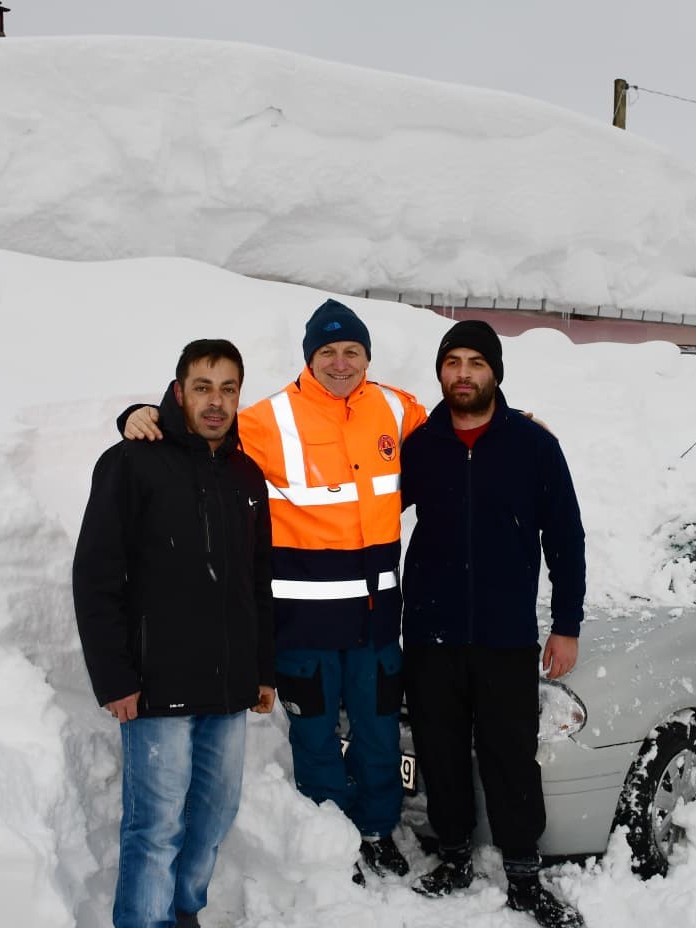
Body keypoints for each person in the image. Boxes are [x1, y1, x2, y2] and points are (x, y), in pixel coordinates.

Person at [120, 300, 428, 881]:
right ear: (309, 358)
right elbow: (197, 430)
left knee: (379, 733)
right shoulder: (267, 420)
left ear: (368, 357)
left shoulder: (395, 407)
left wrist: (514, 422)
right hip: (304, 623)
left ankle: (376, 829)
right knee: (315, 740)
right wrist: (141, 415)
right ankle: (333, 840)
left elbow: (456, 429)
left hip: (377, 619)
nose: (341, 363)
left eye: (352, 351)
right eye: (327, 352)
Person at [72, 339, 276, 928]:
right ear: (179, 391)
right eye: (203, 387)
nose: (216, 402)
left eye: (229, 389)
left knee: (213, 816)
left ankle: (183, 911)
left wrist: (262, 670)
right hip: (157, 685)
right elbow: (96, 575)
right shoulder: (132, 462)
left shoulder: (245, 475)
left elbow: (257, 579)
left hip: (228, 686)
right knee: (156, 825)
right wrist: (114, 676)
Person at [400, 320, 587, 928]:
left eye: (475, 362)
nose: (463, 374)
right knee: (441, 748)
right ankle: (453, 855)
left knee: (511, 756)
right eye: (452, 362)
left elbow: (566, 537)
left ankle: (524, 874)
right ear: (440, 372)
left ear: (495, 373)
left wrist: (566, 623)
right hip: (430, 632)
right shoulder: (420, 446)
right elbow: (367, 508)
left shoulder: (533, 446)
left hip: (506, 635)